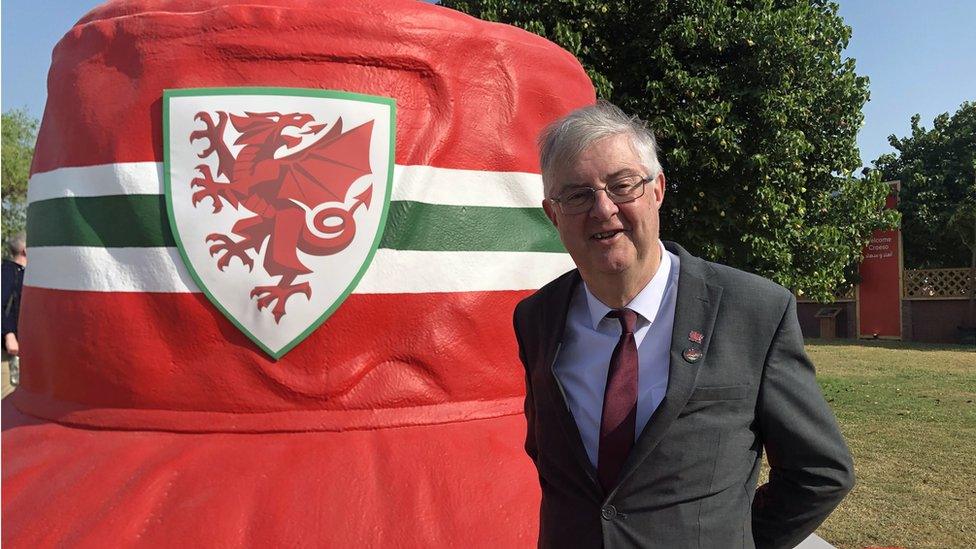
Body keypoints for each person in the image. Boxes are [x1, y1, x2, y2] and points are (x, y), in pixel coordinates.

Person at [514, 102, 854, 548]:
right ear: (553, 214)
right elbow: (550, 456)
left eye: (621, 186)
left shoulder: (753, 310)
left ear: (657, 190)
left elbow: (820, 472)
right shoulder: (537, 318)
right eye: (576, 195)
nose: (602, 209)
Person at [3, 233, 27, 387]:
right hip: (7, 351)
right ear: (25, 250)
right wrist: (9, 334)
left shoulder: (25, 274)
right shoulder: (7, 272)